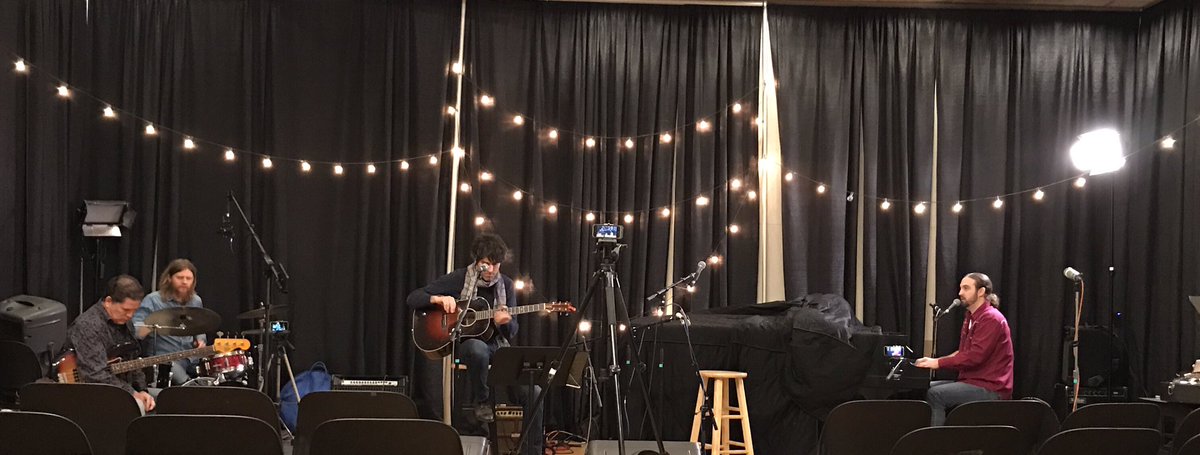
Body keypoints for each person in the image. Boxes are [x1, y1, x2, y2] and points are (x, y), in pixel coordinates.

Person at [407, 233, 542, 455]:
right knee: (477, 349)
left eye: (496, 265)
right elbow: (413, 298)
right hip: (468, 346)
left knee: (534, 391)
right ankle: (483, 401)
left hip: (498, 348)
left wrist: (505, 323)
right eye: (486, 264)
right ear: (477, 261)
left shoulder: (506, 286)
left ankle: (532, 451)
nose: (491, 270)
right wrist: (438, 299)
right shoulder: (460, 278)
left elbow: (512, 333)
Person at [915, 272, 1014, 425]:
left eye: (966, 288)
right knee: (923, 386)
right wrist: (933, 360)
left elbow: (975, 357)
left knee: (936, 394)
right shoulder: (970, 317)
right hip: (973, 381)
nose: (960, 293)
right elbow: (963, 353)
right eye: (960, 288)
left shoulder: (991, 318)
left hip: (991, 387)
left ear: (981, 291)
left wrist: (938, 363)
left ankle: (935, 440)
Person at [65, 274, 156, 413]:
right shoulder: (87, 326)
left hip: (118, 387)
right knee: (138, 408)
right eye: (126, 310)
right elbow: (95, 374)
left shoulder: (126, 323)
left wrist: (142, 390)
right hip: (88, 392)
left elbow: (133, 361)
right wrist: (132, 393)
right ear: (108, 301)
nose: (130, 315)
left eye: (134, 311)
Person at [133, 259, 206, 386]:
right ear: (169, 278)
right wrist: (150, 326)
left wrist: (201, 340)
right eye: (180, 277)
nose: (184, 282)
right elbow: (135, 330)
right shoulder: (153, 300)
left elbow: (200, 327)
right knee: (187, 385)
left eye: (189, 278)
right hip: (164, 360)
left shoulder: (196, 301)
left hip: (190, 358)